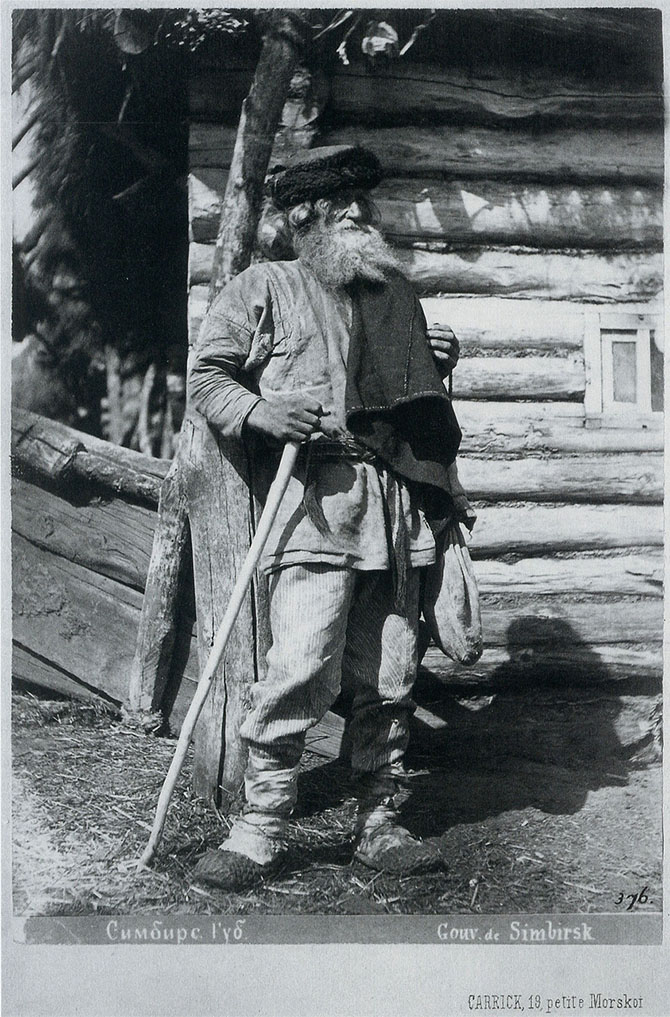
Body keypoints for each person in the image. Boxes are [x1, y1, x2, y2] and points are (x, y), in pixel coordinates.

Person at [188, 145, 464, 891]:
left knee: (392, 672)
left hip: (397, 512)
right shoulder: (265, 287)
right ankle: (262, 826)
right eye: (343, 203)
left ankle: (379, 819)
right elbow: (207, 376)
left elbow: (412, 403)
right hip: (316, 508)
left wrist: (437, 362)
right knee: (300, 666)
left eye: (363, 204)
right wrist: (264, 409)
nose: (359, 214)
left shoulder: (390, 293)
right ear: (303, 214)